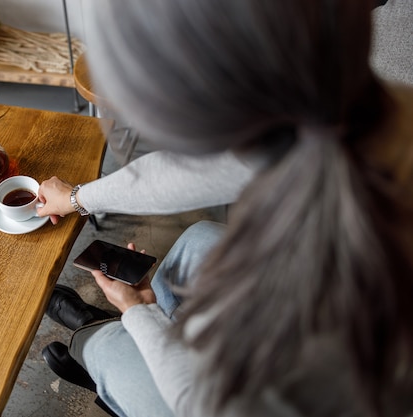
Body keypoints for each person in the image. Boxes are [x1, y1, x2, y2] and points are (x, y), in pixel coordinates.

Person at [37, 0, 413, 416]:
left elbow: (208, 403)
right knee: (195, 245)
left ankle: (95, 336)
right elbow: (191, 174)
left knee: (112, 354)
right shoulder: (352, 95)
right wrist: (78, 197)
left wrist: (139, 314)